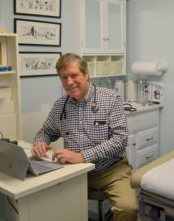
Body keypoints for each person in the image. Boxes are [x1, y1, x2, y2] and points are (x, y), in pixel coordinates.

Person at [32, 53, 138, 221]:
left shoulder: (110, 98)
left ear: (86, 74)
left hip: (110, 170)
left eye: (74, 75)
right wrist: (39, 143)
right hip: (73, 172)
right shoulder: (60, 105)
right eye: (64, 78)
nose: (69, 82)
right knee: (48, 201)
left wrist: (81, 157)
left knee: (128, 208)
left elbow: (120, 140)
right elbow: (46, 131)